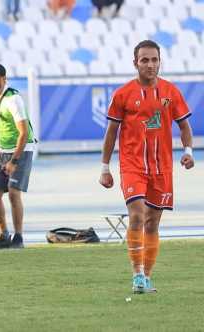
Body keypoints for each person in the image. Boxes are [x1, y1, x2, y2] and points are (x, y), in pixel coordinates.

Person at [100, 40, 195, 294]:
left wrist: (188, 152)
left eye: (154, 60)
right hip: (132, 165)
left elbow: (185, 126)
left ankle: (148, 276)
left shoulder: (171, 92)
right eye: (145, 60)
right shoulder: (122, 94)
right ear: (135, 63)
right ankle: (137, 275)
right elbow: (111, 132)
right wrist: (105, 167)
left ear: (159, 61)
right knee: (137, 215)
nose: (150, 64)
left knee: (152, 223)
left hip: (162, 168)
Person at [0, 64, 36, 250]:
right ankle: (2, 234)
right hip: (0, 149)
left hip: (21, 148)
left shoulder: (14, 100)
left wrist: (14, 161)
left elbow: (23, 133)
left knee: (13, 192)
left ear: (3, 80)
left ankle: (18, 237)